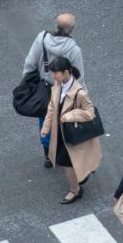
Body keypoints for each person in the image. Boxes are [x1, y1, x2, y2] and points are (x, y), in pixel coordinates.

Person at [42, 57, 103, 203]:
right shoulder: (58, 84)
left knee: (66, 162)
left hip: (72, 132)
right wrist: (46, 126)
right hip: (61, 132)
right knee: (67, 160)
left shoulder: (80, 93)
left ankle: (75, 190)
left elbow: (90, 113)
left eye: (56, 73)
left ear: (66, 72)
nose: (53, 76)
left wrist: (70, 115)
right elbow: (52, 107)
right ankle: (79, 180)